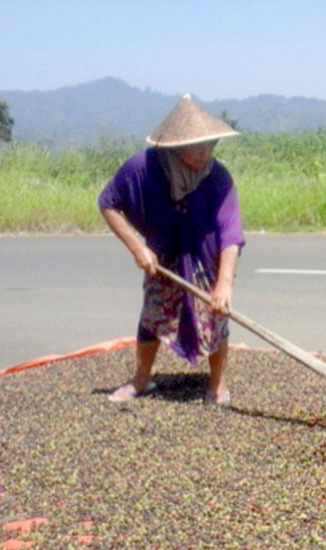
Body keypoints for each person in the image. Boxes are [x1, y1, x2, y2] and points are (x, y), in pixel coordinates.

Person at [98, 94, 244, 404]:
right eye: (198, 146)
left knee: (214, 317)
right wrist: (137, 247)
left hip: (206, 262)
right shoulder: (143, 168)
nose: (207, 153)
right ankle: (141, 379)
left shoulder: (217, 177)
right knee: (153, 316)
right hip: (162, 260)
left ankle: (217, 385)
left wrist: (224, 283)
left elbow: (231, 233)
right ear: (176, 146)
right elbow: (108, 203)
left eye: (211, 144)